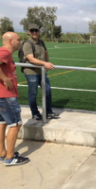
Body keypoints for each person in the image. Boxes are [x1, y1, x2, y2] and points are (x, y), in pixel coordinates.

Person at [0, 32, 30, 166]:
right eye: (18, 40)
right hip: (6, 96)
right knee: (16, 124)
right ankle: (10, 157)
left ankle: (2, 153)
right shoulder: (5, 52)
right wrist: (5, 79)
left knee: (2, 123)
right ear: (11, 41)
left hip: (2, 96)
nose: (20, 42)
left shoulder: (6, 53)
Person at [23, 23, 58, 120]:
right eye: (32, 31)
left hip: (42, 72)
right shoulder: (27, 43)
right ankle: (35, 113)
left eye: (36, 30)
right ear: (28, 32)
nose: (34, 32)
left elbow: (46, 52)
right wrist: (45, 63)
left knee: (47, 91)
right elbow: (31, 59)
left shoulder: (41, 42)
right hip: (31, 72)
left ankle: (48, 112)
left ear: (39, 31)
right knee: (33, 93)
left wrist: (46, 62)